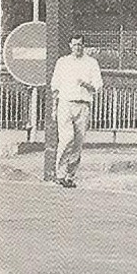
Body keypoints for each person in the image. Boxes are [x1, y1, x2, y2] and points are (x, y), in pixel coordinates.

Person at [50, 34, 103, 187]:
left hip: (83, 104)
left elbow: (98, 85)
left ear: (83, 46)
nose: (77, 48)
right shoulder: (63, 62)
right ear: (70, 45)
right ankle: (59, 173)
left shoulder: (91, 63)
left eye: (80, 45)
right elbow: (55, 85)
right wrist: (54, 107)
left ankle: (70, 176)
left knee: (78, 142)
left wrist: (87, 85)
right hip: (65, 103)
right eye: (74, 45)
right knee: (67, 139)